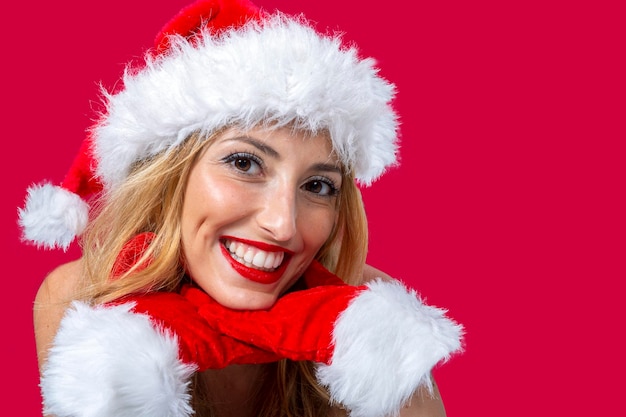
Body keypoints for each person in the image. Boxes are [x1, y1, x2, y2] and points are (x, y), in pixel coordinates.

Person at [19, 1, 463, 416]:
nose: (283, 224)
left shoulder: (370, 320)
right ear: (171, 175)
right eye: (244, 163)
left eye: (317, 185)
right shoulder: (86, 298)